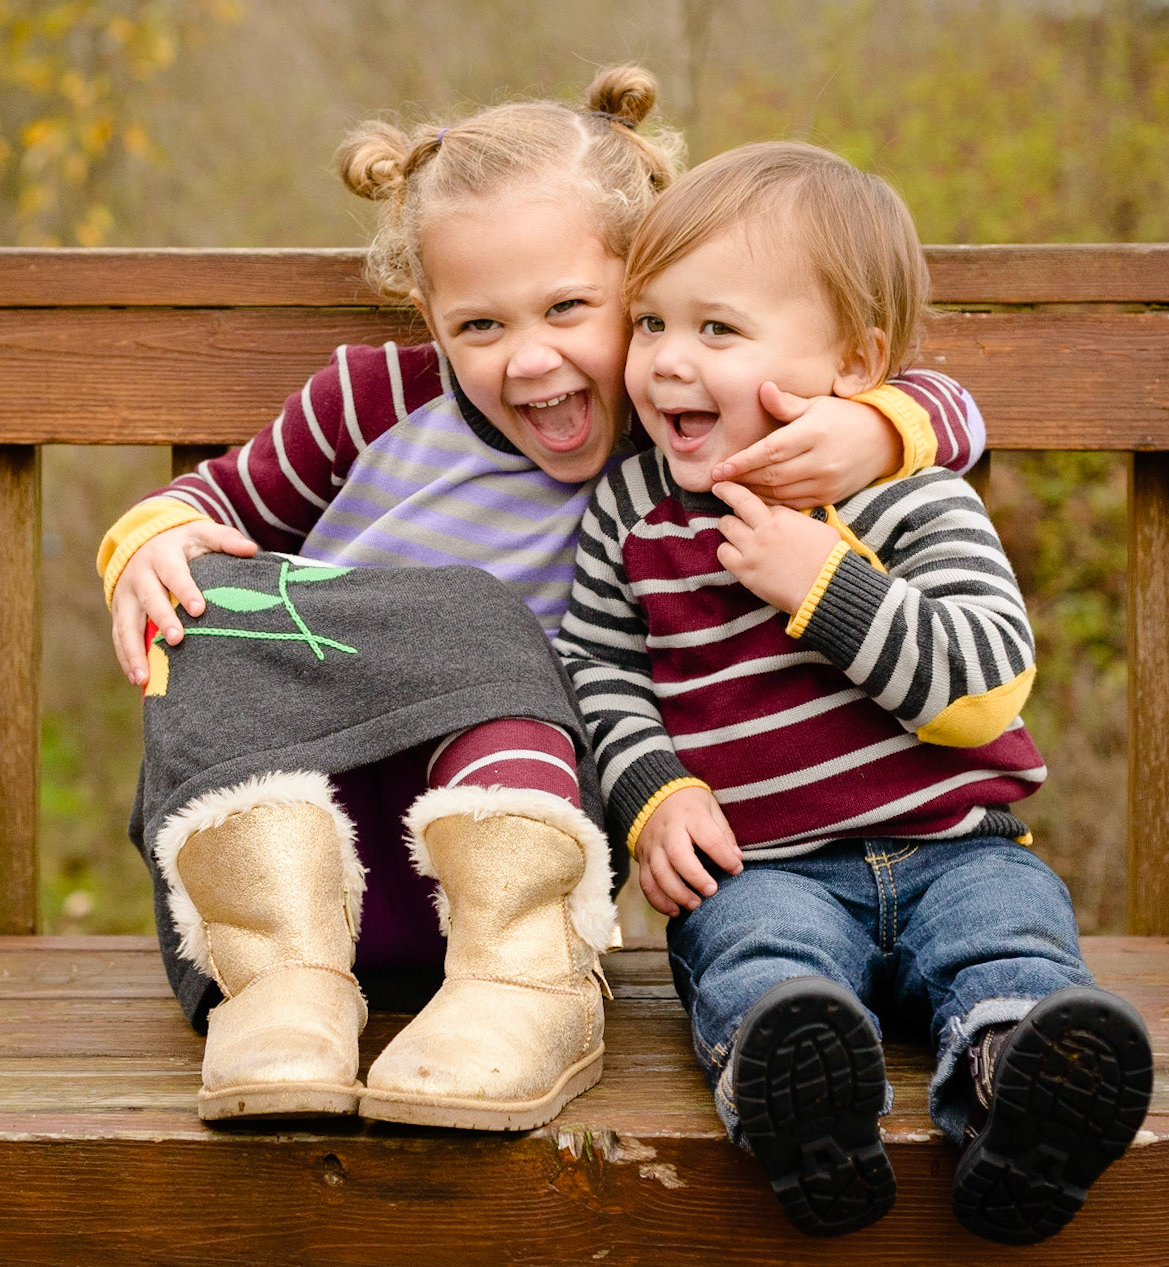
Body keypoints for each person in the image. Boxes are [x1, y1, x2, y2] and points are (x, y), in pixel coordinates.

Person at [96, 70, 988, 1131]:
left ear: (646, 291)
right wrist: (149, 544)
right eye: (478, 325)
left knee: (497, 628)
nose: (531, 359)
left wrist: (882, 426)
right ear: (429, 314)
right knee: (211, 598)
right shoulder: (370, 402)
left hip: (506, 885)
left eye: (572, 308)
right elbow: (213, 500)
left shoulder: (669, 438)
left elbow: (916, 389)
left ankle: (523, 993)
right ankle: (280, 991)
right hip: (283, 877)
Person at [555, 140, 1152, 1241]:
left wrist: (823, 586)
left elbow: (983, 685)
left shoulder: (908, 496)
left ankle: (1017, 1087)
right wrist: (652, 793)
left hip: (955, 846)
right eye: (651, 323)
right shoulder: (634, 509)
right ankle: (800, 1093)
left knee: (1011, 938)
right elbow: (595, 670)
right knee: (753, 955)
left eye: (716, 329)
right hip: (762, 863)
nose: (666, 363)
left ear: (854, 360)